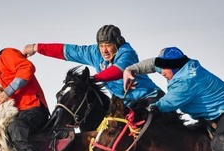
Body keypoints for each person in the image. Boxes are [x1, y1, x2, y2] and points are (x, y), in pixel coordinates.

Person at [22, 24, 164, 105]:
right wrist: (36, 47)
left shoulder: (127, 53)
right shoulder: (95, 52)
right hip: (125, 105)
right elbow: (69, 51)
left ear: (118, 43)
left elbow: (117, 71)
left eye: (108, 45)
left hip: (149, 98)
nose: (104, 50)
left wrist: (92, 79)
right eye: (101, 45)